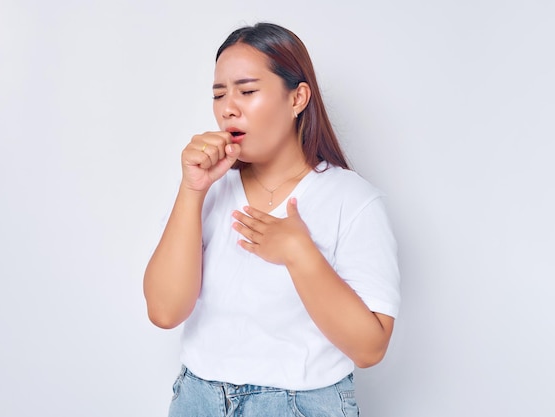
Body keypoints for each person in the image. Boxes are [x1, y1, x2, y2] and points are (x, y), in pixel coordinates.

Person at [143, 22, 401, 416]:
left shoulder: (353, 201)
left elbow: (370, 348)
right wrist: (192, 190)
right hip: (197, 400)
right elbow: (164, 312)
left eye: (247, 91)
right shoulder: (206, 191)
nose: (228, 106)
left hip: (300, 406)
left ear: (297, 98)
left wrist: (300, 253)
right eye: (219, 94)